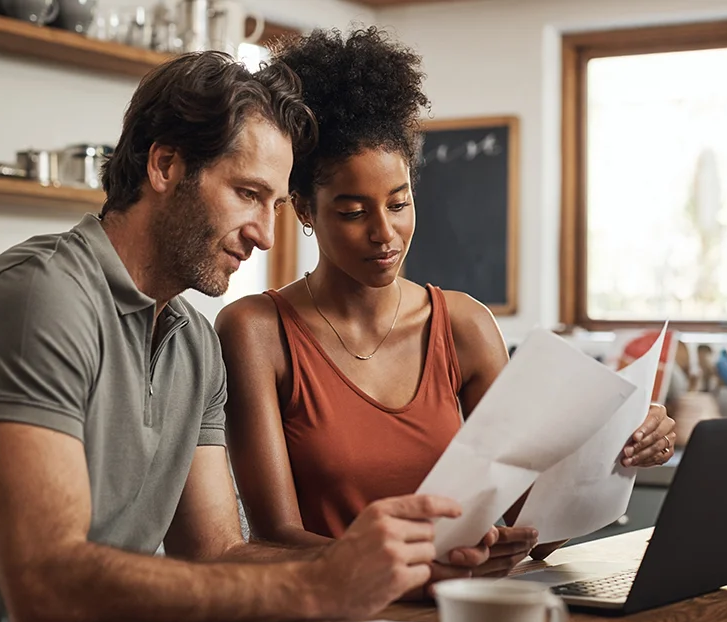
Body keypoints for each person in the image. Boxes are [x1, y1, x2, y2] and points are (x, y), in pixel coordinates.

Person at [0, 51, 489, 622]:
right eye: (247, 194)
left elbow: (216, 553)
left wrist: (393, 566)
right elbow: (44, 587)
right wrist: (321, 587)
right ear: (165, 166)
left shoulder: (192, 343)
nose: (265, 235)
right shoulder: (40, 302)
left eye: (274, 204)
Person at [216, 28, 678, 586]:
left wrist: (617, 451)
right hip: (335, 615)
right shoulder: (255, 331)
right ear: (305, 209)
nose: (384, 233)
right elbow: (275, 538)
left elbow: (529, 525)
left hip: (460, 608)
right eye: (352, 211)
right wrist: (413, 570)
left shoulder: (463, 325)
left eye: (399, 202)